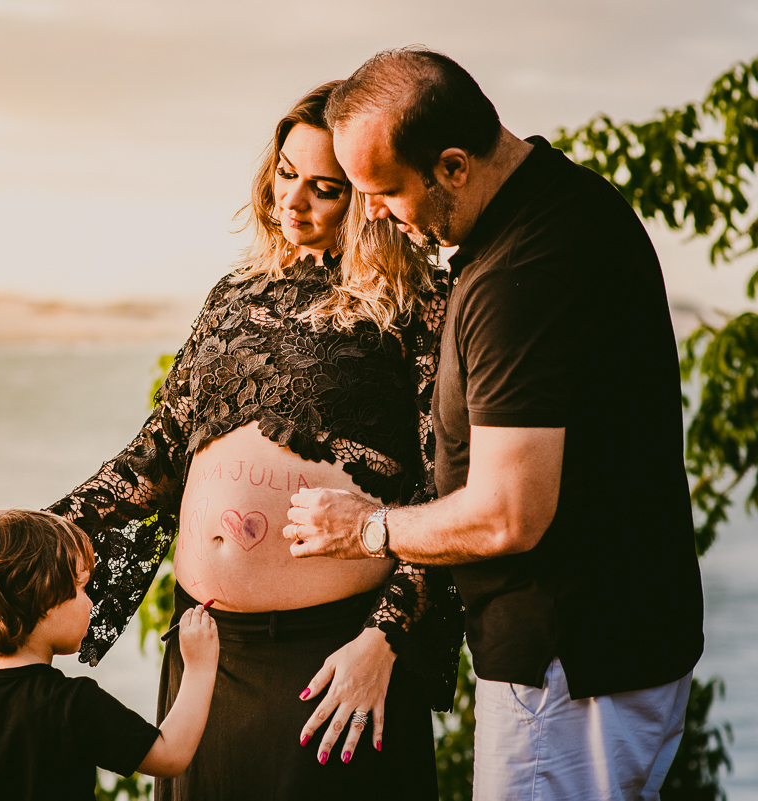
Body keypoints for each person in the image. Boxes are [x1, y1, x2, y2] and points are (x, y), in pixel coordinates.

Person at [0, 81, 463, 800]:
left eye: (324, 188)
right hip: (206, 651)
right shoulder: (234, 292)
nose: (292, 202)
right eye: (285, 175)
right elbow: (161, 448)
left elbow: (445, 490)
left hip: (335, 656)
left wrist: (383, 638)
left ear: (366, 193)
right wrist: (50, 523)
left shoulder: (420, 304)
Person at [285, 49, 704, 800]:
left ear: (452, 166)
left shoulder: (520, 278)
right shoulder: (565, 202)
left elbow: (511, 513)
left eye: (382, 190)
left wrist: (368, 528)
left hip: (570, 669)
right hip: (614, 652)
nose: (371, 212)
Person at [0, 509, 219, 801]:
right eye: (81, 588)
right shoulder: (75, 703)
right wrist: (199, 665)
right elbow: (169, 756)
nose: (91, 603)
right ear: (43, 596)